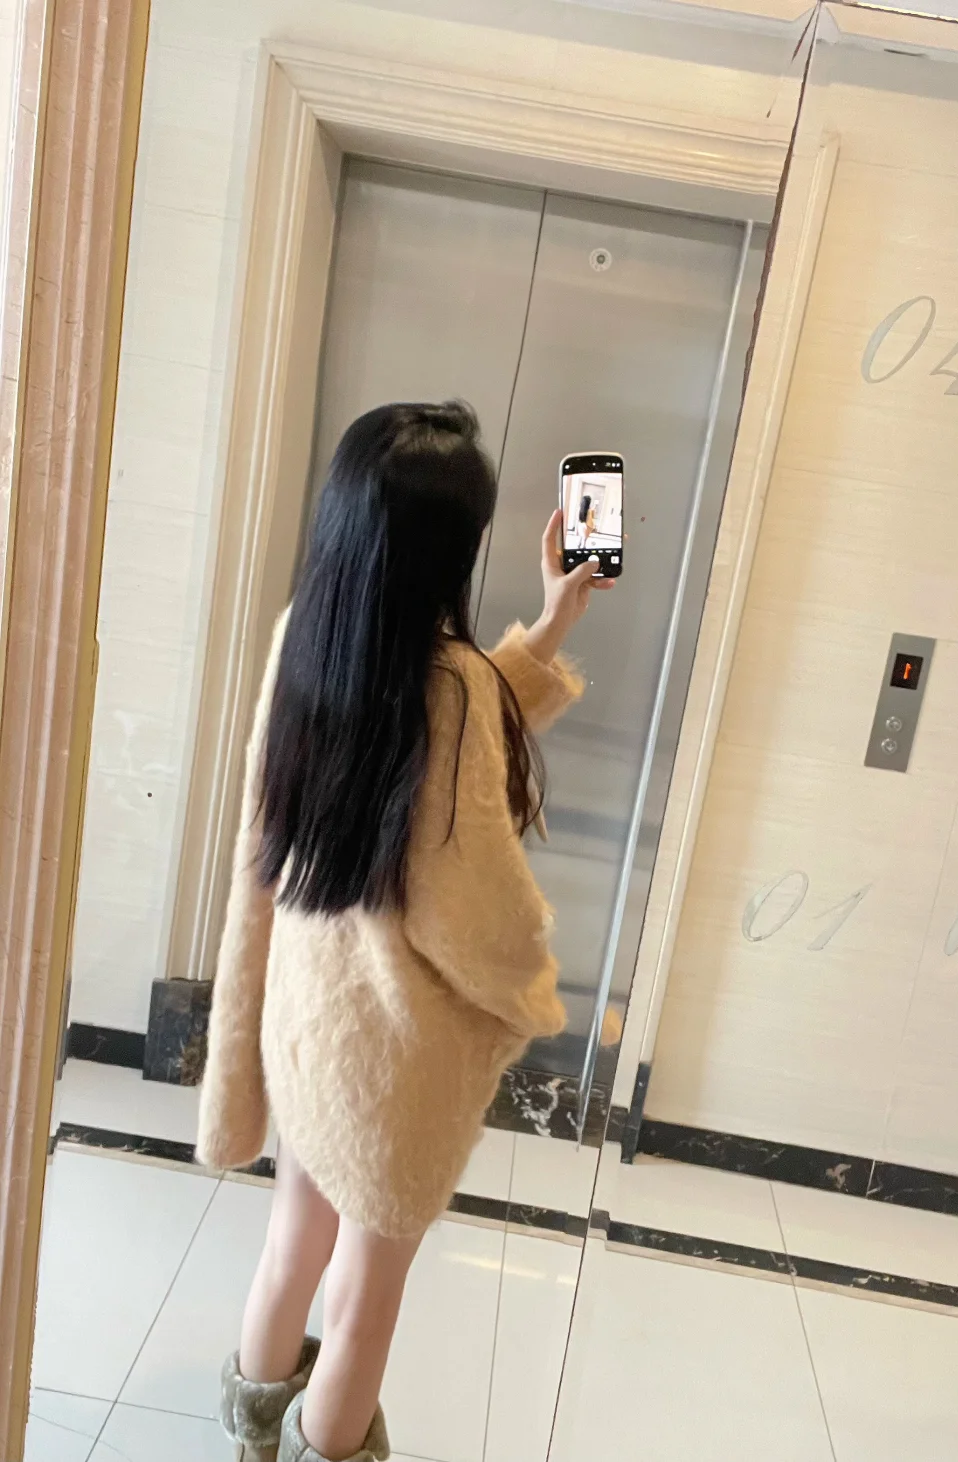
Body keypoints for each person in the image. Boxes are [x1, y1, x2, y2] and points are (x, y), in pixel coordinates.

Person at [196, 401, 612, 1462]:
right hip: (397, 1062)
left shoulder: (312, 635)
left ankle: (250, 1440)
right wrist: (528, 985)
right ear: (446, 549)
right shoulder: (450, 685)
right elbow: (477, 908)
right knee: (366, 1300)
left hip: (310, 1023)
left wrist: (551, 621)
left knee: (293, 1245)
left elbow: (424, 734)